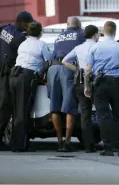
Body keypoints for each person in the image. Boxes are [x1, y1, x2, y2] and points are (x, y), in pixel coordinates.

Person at [0, 11, 34, 151]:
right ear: (23, 23)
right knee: (4, 107)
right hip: (5, 74)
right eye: (29, 24)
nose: (30, 27)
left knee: (0, 106)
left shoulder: (6, 28)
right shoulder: (19, 38)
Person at [84, 21, 119, 156]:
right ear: (114, 32)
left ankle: (108, 147)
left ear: (103, 32)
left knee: (103, 116)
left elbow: (88, 70)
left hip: (100, 84)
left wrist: (87, 87)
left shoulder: (94, 48)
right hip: (117, 83)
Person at [9, 21, 52, 152]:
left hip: (14, 75)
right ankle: (20, 145)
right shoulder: (41, 45)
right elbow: (49, 61)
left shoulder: (23, 43)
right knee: (23, 110)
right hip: (27, 77)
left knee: (16, 111)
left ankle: (15, 142)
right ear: (40, 32)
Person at [47, 17, 85, 152]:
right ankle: (67, 141)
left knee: (55, 107)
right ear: (79, 25)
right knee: (70, 106)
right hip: (67, 68)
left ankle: (59, 141)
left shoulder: (59, 36)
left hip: (53, 69)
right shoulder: (81, 34)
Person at [62, 25, 99, 153]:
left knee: (85, 114)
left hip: (81, 81)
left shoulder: (78, 48)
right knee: (103, 111)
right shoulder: (97, 46)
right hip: (96, 80)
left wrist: (77, 69)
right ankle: (110, 143)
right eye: (98, 34)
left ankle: (89, 146)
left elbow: (64, 61)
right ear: (94, 35)